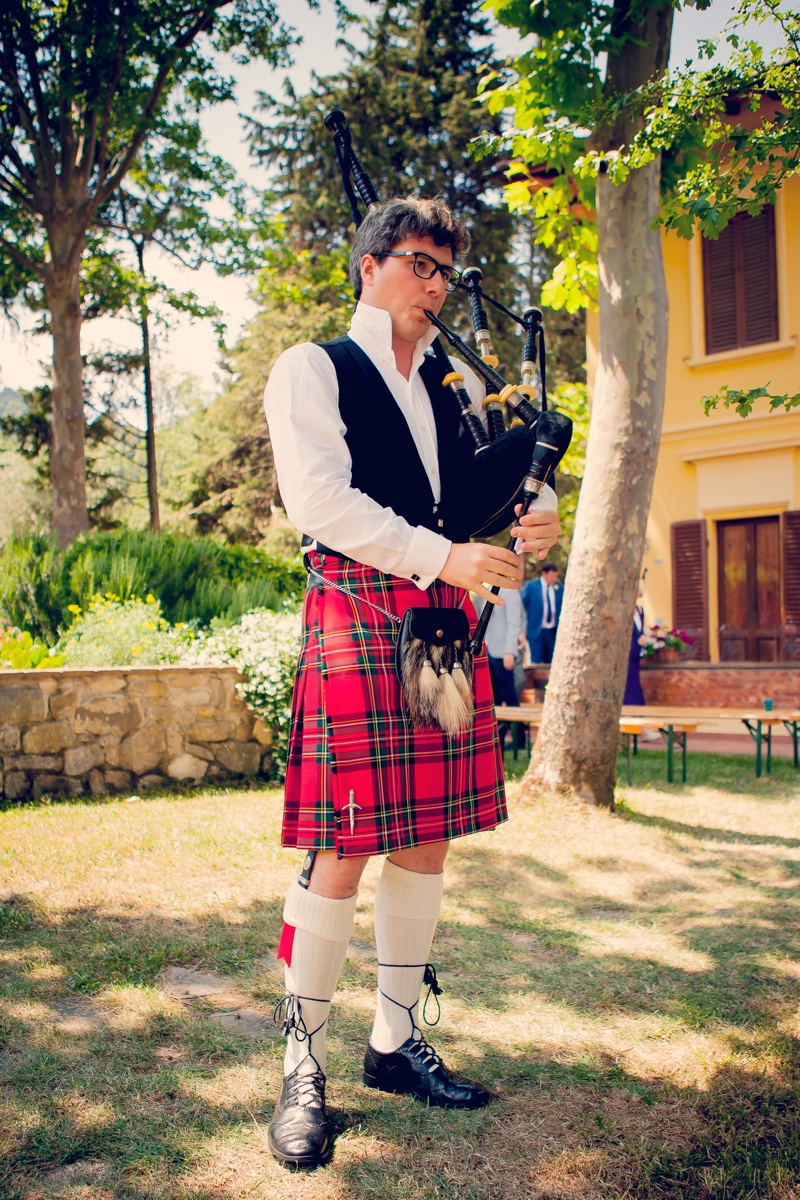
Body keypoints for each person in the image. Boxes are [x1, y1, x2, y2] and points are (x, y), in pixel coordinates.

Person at [263, 197, 560, 1170]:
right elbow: (319, 501)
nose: (433, 285)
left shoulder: (438, 390)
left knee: (426, 837)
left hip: (434, 620)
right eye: (418, 263)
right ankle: (301, 1063)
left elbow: (486, 482)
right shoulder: (314, 368)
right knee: (343, 841)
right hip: (359, 606)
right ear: (369, 266)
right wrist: (444, 555)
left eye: (444, 271)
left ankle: (392, 1042)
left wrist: (540, 503)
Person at [475, 586, 523, 750]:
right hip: (489, 651)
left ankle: (519, 741)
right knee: (494, 698)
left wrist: (509, 652)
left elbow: (514, 624)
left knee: (510, 698)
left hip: (504, 654)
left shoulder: (510, 592)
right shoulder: (488, 589)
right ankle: (498, 739)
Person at [521, 562, 562, 664]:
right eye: (552, 576)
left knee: (552, 659)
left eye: (555, 576)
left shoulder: (560, 588)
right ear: (544, 574)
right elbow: (521, 605)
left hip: (552, 630)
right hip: (535, 629)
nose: (554, 579)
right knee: (536, 659)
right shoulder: (531, 586)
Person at [623, 587, 647, 706]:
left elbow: (639, 629)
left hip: (637, 650)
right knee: (629, 677)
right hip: (628, 650)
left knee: (635, 677)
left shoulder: (640, 610)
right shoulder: (625, 611)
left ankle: (638, 702)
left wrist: (643, 638)